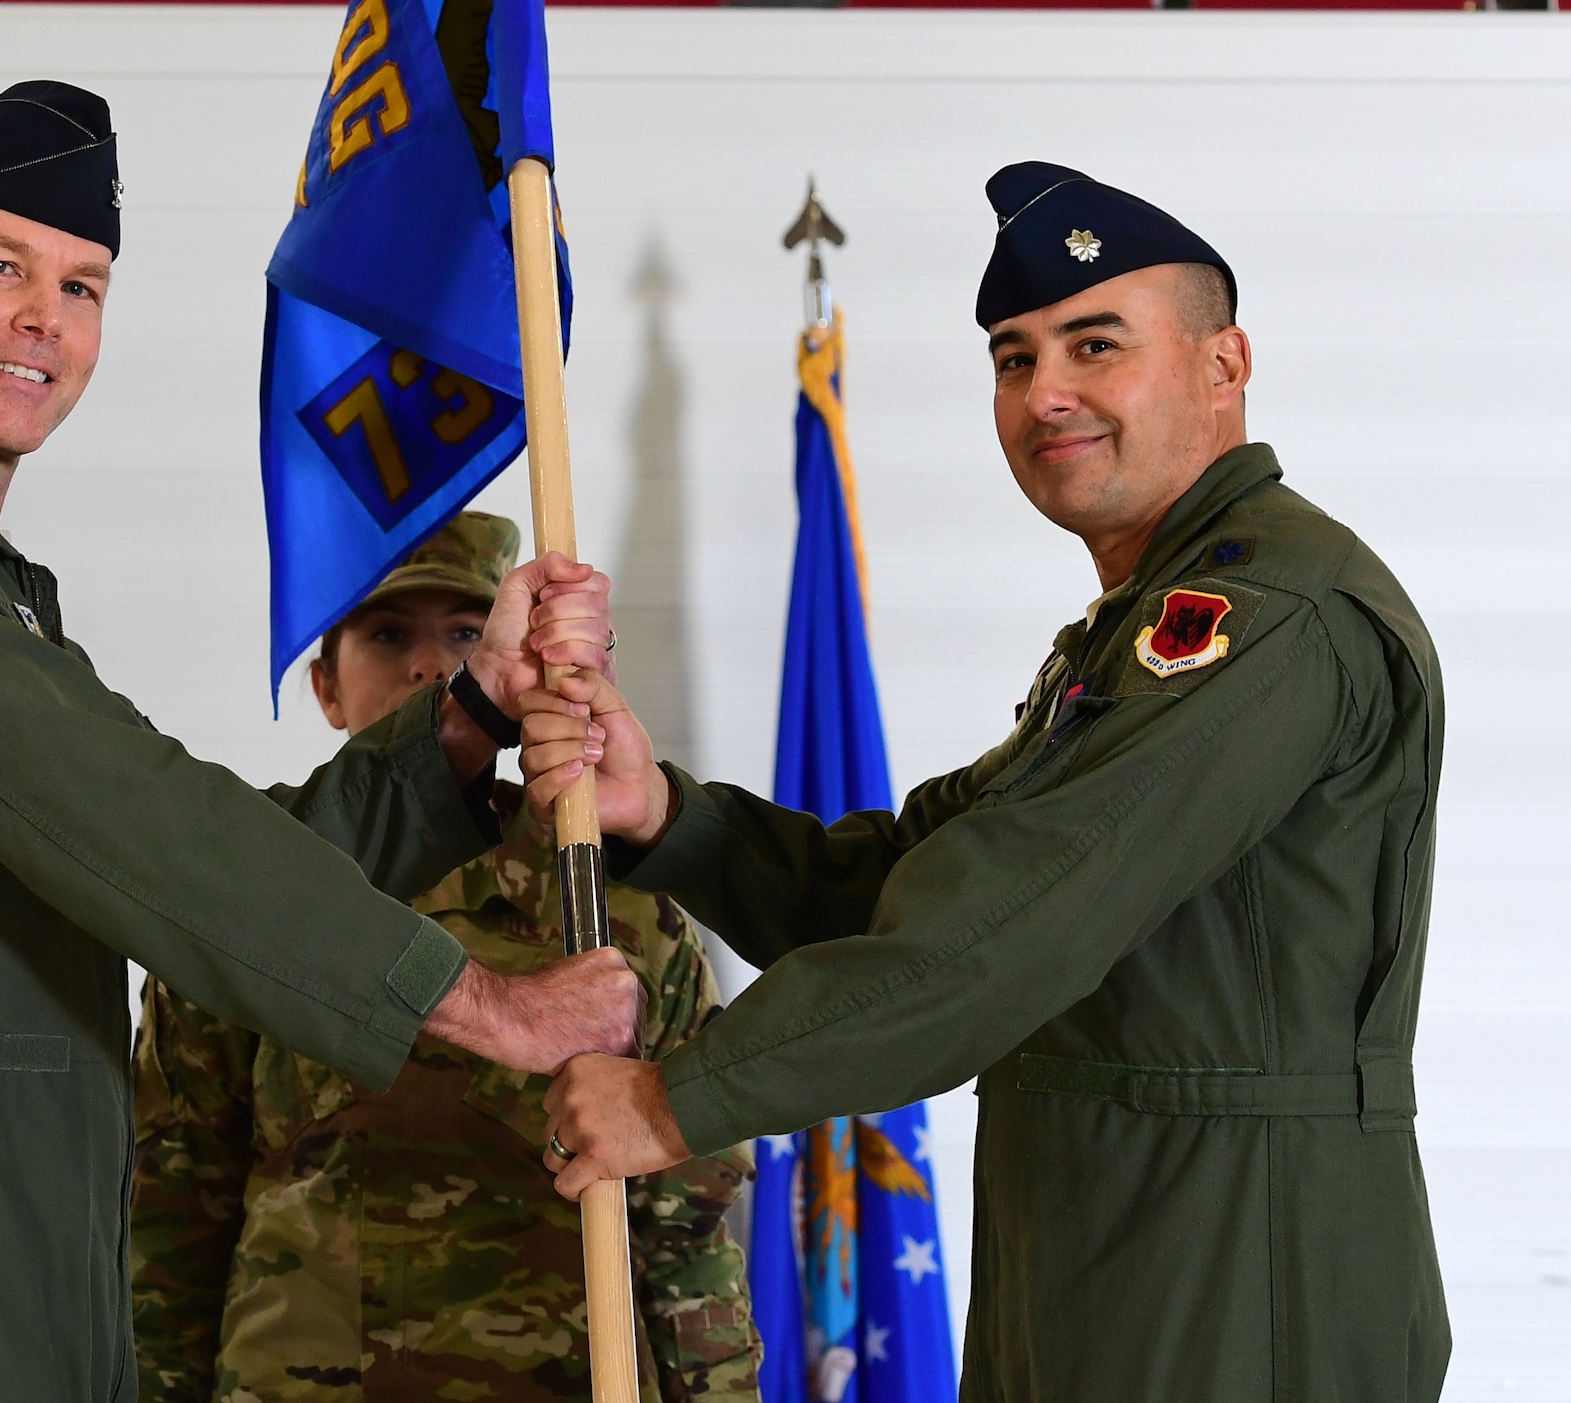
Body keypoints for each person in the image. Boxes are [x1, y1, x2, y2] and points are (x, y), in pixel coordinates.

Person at [0, 81, 638, 1403]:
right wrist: (486, 1003)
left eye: (82, 286)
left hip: (8, 1238)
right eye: (0, 266)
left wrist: (470, 711)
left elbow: (188, 853)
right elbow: (143, 824)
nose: (43, 321)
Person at [523, 163, 1449, 1401]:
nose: (1044, 394)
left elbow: (1003, 926)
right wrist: (671, 817)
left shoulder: (1259, 620)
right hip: (1101, 1263)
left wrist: (677, 1098)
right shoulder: (1134, 628)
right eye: (1014, 359)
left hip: (1238, 1283)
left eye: (1094, 344)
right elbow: (922, 882)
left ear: (1223, 366)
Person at [130, 512, 762, 1403]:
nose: (429, 666)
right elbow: (169, 1225)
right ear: (325, 685)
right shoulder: (244, 897)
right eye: (388, 634)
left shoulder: (612, 913)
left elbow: (687, 1232)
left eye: (465, 634)